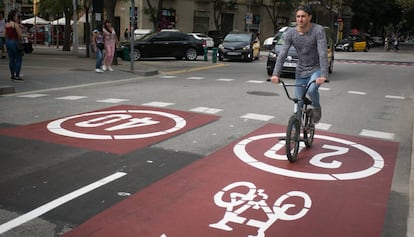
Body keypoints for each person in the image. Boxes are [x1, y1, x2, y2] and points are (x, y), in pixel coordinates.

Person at [270, 5, 328, 123]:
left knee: (312, 90)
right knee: (298, 102)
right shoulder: (291, 33)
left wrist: (323, 75)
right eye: (298, 17)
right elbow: (283, 53)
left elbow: (322, 53)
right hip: (301, 70)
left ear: (309, 17)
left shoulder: (318, 30)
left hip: (316, 68)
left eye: (303, 16)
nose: (300, 19)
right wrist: (275, 74)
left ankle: (316, 107)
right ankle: (294, 129)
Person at [5, 9, 24, 81]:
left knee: (11, 59)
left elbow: (4, 34)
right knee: (18, 58)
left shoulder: (7, 24)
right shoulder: (15, 24)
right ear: (13, 17)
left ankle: (12, 75)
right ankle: (17, 75)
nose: (18, 17)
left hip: (8, 41)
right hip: (14, 41)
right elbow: (20, 35)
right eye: (17, 16)